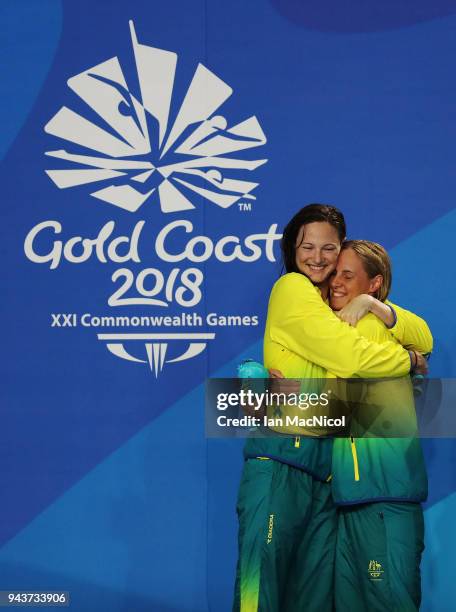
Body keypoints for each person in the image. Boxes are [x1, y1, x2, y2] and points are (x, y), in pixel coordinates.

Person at [232, 204, 427, 612]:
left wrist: (379, 308)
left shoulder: (341, 310)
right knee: (260, 592)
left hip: (327, 480)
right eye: (308, 246)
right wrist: (407, 362)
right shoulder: (292, 288)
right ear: (292, 248)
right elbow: (350, 358)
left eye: (330, 250)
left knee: (313, 601)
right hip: (281, 462)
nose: (319, 259)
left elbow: (422, 335)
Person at [329, 240, 432, 611]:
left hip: (384, 494)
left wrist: (374, 307)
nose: (336, 283)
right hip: (352, 497)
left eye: (347, 275)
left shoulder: (370, 325)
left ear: (374, 283)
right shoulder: (335, 328)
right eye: (333, 274)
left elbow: (424, 337)